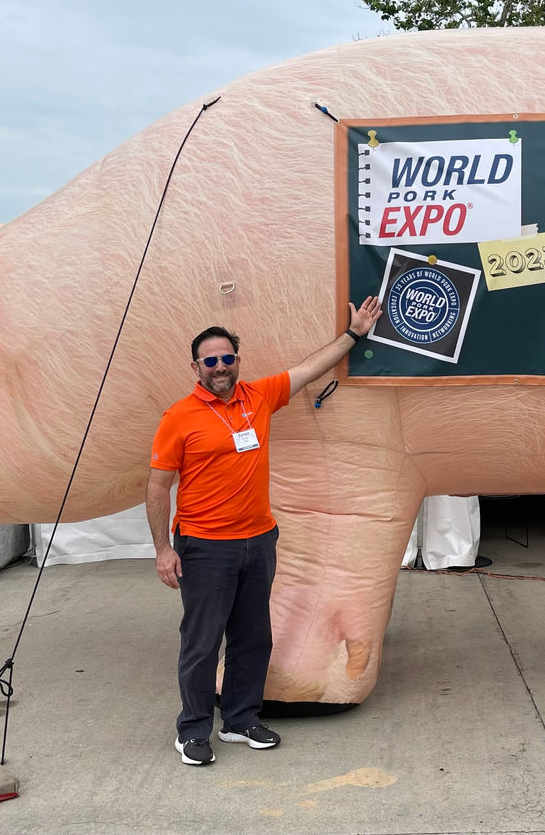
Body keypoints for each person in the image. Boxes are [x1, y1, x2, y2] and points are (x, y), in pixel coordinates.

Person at [147, 296, 382, 767]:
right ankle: (193, 730)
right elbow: (157, 485)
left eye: (226, 358)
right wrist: (162, 549)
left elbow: (311, 367)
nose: (219, 366)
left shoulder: (259, 397)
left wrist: (354, 334)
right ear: (196, 367)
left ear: (237, 361)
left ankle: (239, 720)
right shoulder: (179, 416)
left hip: (259, 541)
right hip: (205, 548)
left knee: (253, 637)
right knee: (202, 642)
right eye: (210, 360)